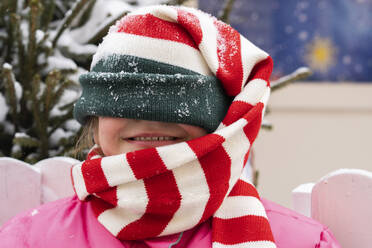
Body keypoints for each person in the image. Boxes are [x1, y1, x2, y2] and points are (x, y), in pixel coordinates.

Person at [0, 5, 340, 248]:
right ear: (95, 117)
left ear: (220, 121)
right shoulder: (30, 239)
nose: (150, 118)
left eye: (179, 104)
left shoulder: (299, 242)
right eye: (122, 100)